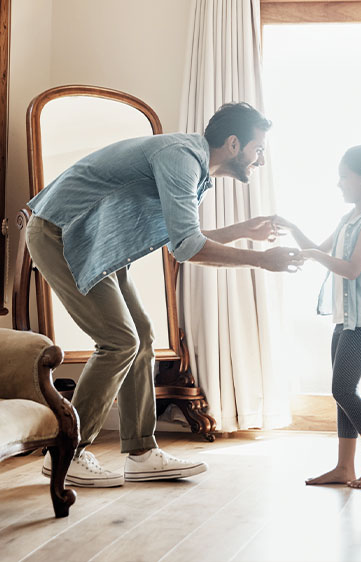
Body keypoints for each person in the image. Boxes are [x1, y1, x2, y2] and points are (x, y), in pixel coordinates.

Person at [25, 102, 303, 488]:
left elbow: (181, 241)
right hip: (62, 233)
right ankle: (67, 451)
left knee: (141, 339)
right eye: (259, 150)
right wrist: (261, 260)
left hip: (97, 243)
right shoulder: (182, 159)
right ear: (235, 144)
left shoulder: (193, 164)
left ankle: (140, 452)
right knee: (119, 341)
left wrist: (243, 230)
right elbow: (190, 247)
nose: (260, 160)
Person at [274, 145, 361, 489]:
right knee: (342, 392)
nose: (339, 184)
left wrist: (312, 255)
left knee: (343, 389)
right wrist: (293, 229)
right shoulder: (349, 219)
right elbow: (322, 250)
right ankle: (344, 467)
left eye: (343, 176)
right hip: (345, 319)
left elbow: (352, 269)